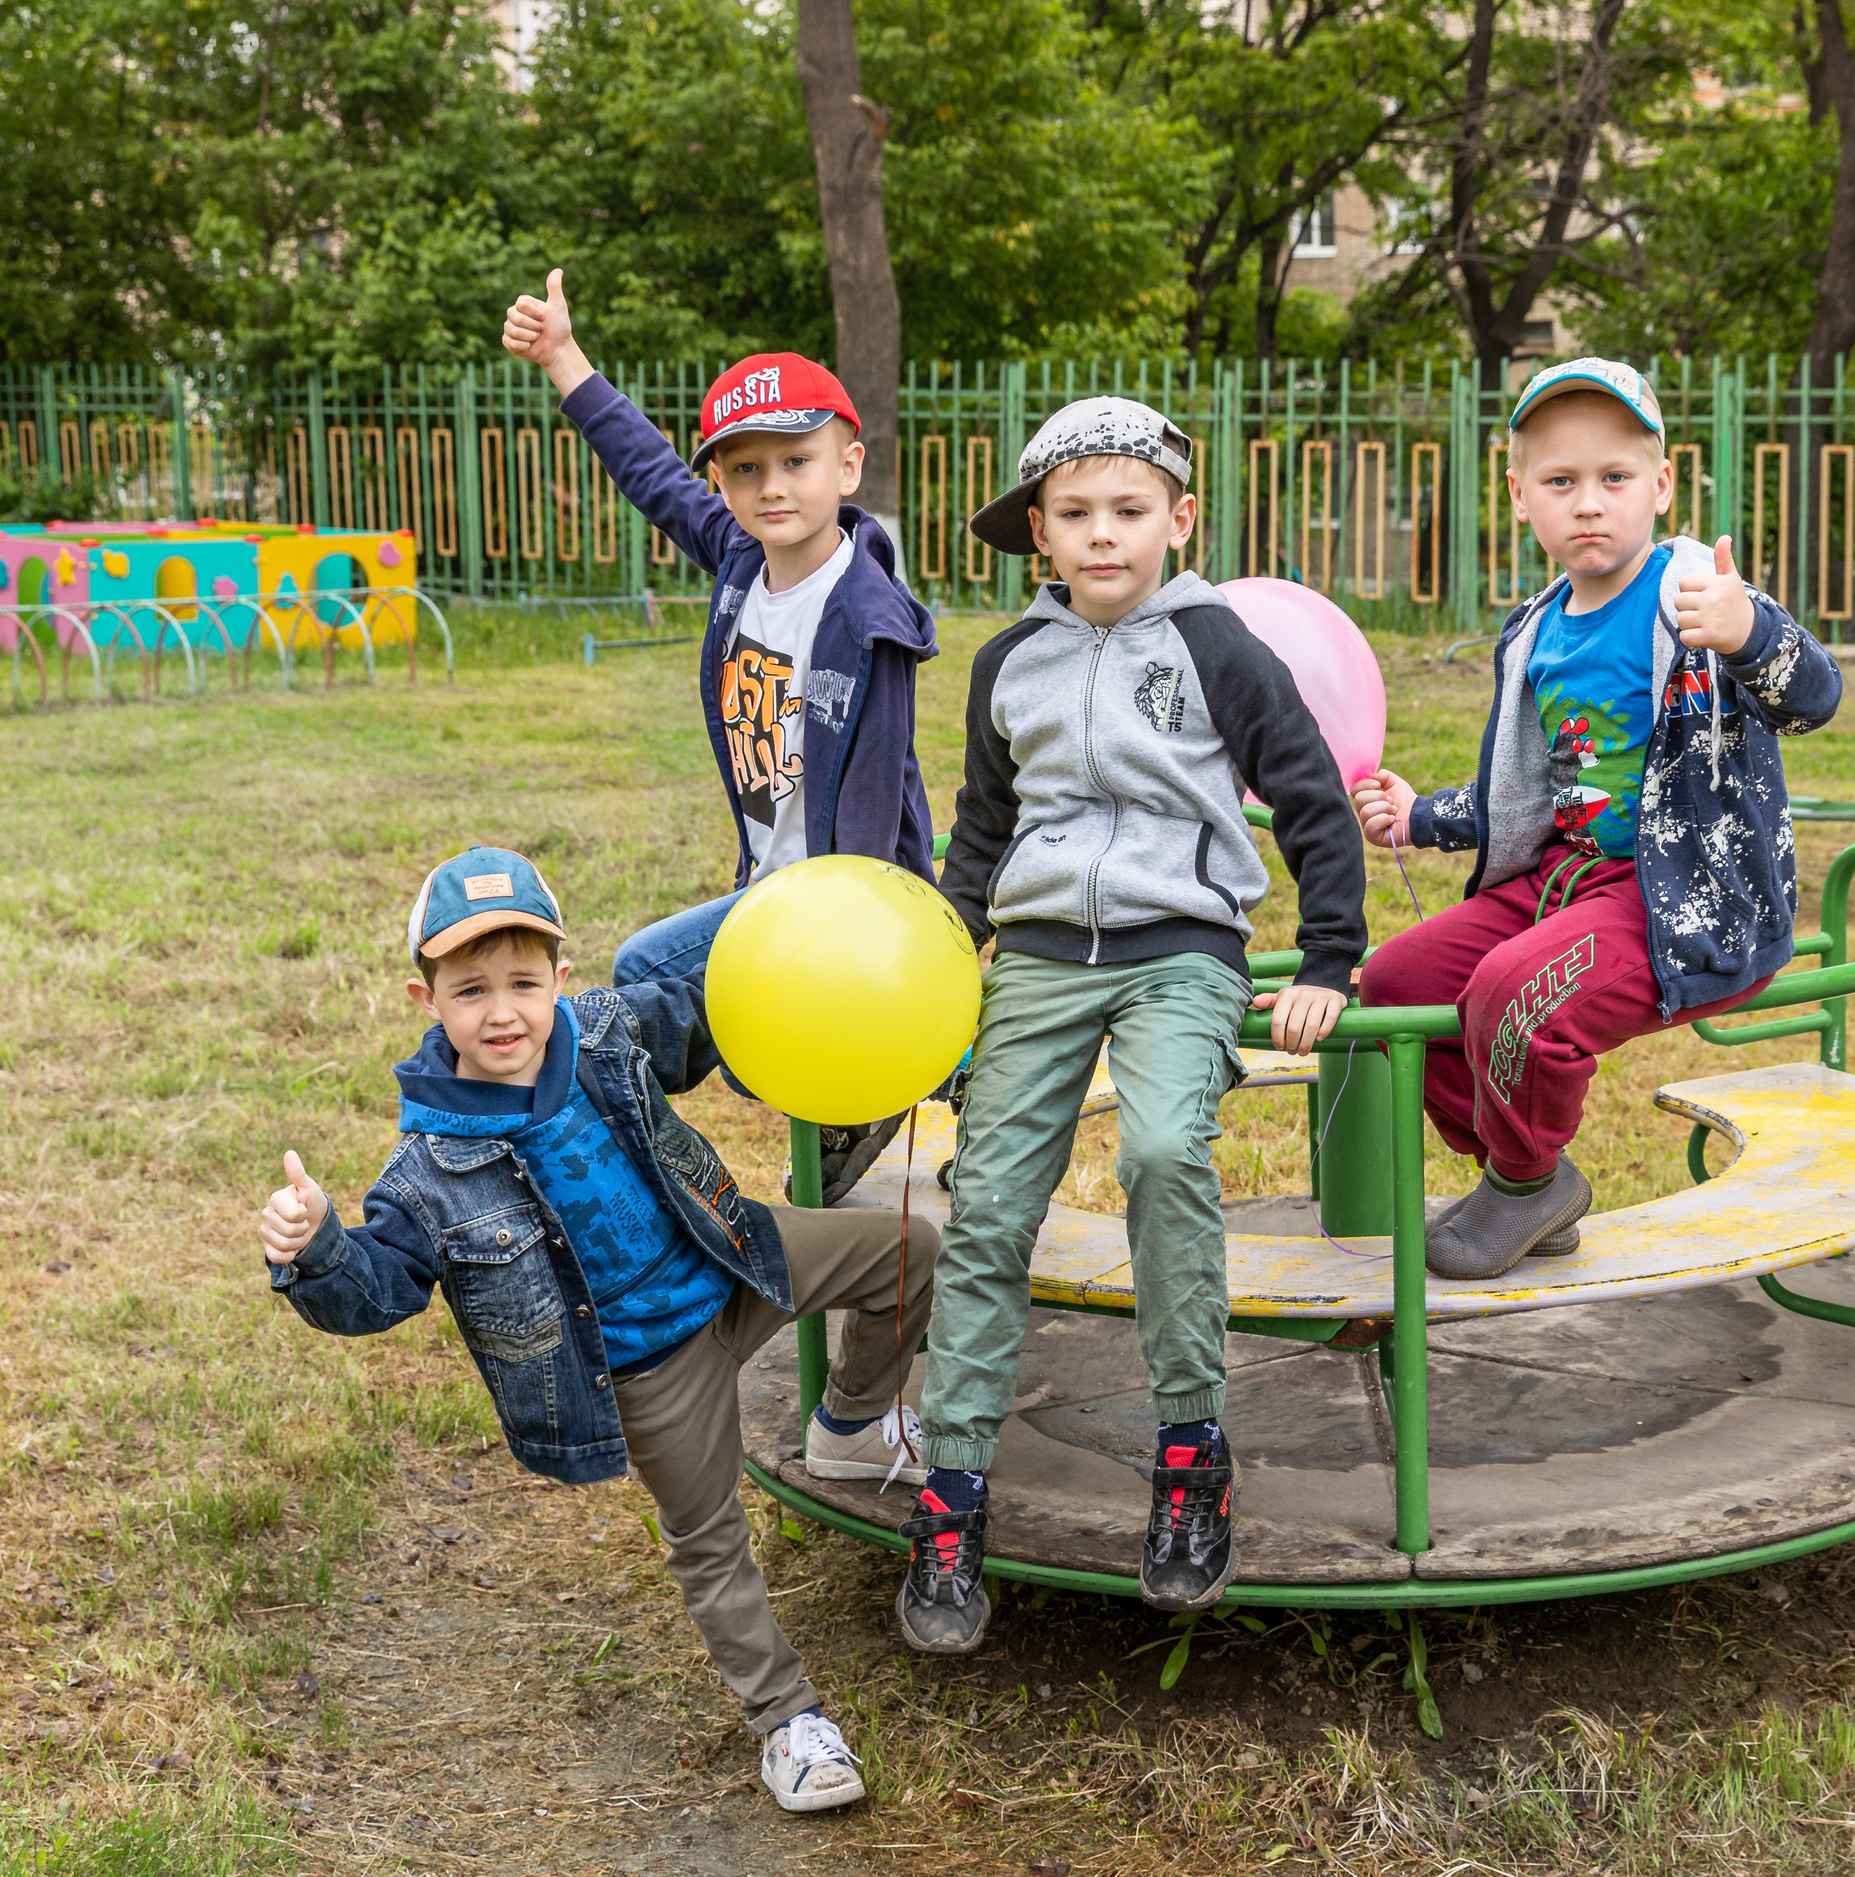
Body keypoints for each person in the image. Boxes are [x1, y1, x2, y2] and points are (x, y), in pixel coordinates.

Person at [255, 847, 940, 1813]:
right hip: (654, 1371)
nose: (503, 1012)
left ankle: (851, 1423)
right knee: (710, 1541)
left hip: (734, 1258)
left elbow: (720, 1013)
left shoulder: (607, 1030)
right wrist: (317, 1248)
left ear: (560, 980)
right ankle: (788, 1721)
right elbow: (379, 1289)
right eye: (471, 988)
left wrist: (821, 955)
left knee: (912, 1249)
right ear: (427, 996)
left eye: (524, 983)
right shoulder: (427, 1173)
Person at [894, 398, 1368, 1654]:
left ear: (1178, 519)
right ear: (1039, 535)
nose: (1103, 536)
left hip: (1181, 950)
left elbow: (1313, 798)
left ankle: (1191, 1449)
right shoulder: (1010, 664)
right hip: (1042, 955)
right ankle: (951, 1492)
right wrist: (951, 949)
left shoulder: (1218, 645)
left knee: (1162, 1155)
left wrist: (1329, 956)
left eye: (1129, 510)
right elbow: (982, 828)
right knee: (988, 1201)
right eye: (1075, 515)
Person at [1349, 357, 1844, 1278]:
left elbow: (1814, 697)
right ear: (1519, 496)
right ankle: (1532, 1179)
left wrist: (1751, 634)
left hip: (1682, 897)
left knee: (1509, 990)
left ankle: (1523, 1182)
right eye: (1561, 481)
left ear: (1660, 485)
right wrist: (1423, 816)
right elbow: (1541, 794)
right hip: (1566, 878)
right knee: (1396, 982)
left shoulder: (1696, 594)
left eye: (1615, 479)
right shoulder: (1536, 628)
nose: (1589, 504)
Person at [501, 271, 932, 1201]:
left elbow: (872, 796)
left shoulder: (869, 619)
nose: (771, 486)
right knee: (647, 967)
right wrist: (562, 357)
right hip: (770, 885)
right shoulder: (742, 559)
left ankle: (893, 1074)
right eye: (746, 469)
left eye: (795, 461)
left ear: (847, 467)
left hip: (841, 902)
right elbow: (648, 472)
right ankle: (654, 1147)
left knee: (690, 1017)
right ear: (724, 485)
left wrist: (843, 950)